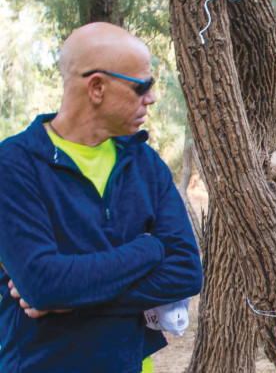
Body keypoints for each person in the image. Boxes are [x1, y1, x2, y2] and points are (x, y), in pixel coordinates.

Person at [0, 22, 203, 372]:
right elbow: (43, 283)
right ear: (97, 87)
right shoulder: (14, 164)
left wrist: (72, 298)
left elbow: (186, 272)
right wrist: (149, 249)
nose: (151, 98)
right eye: (142, 87)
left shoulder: (145, 163)